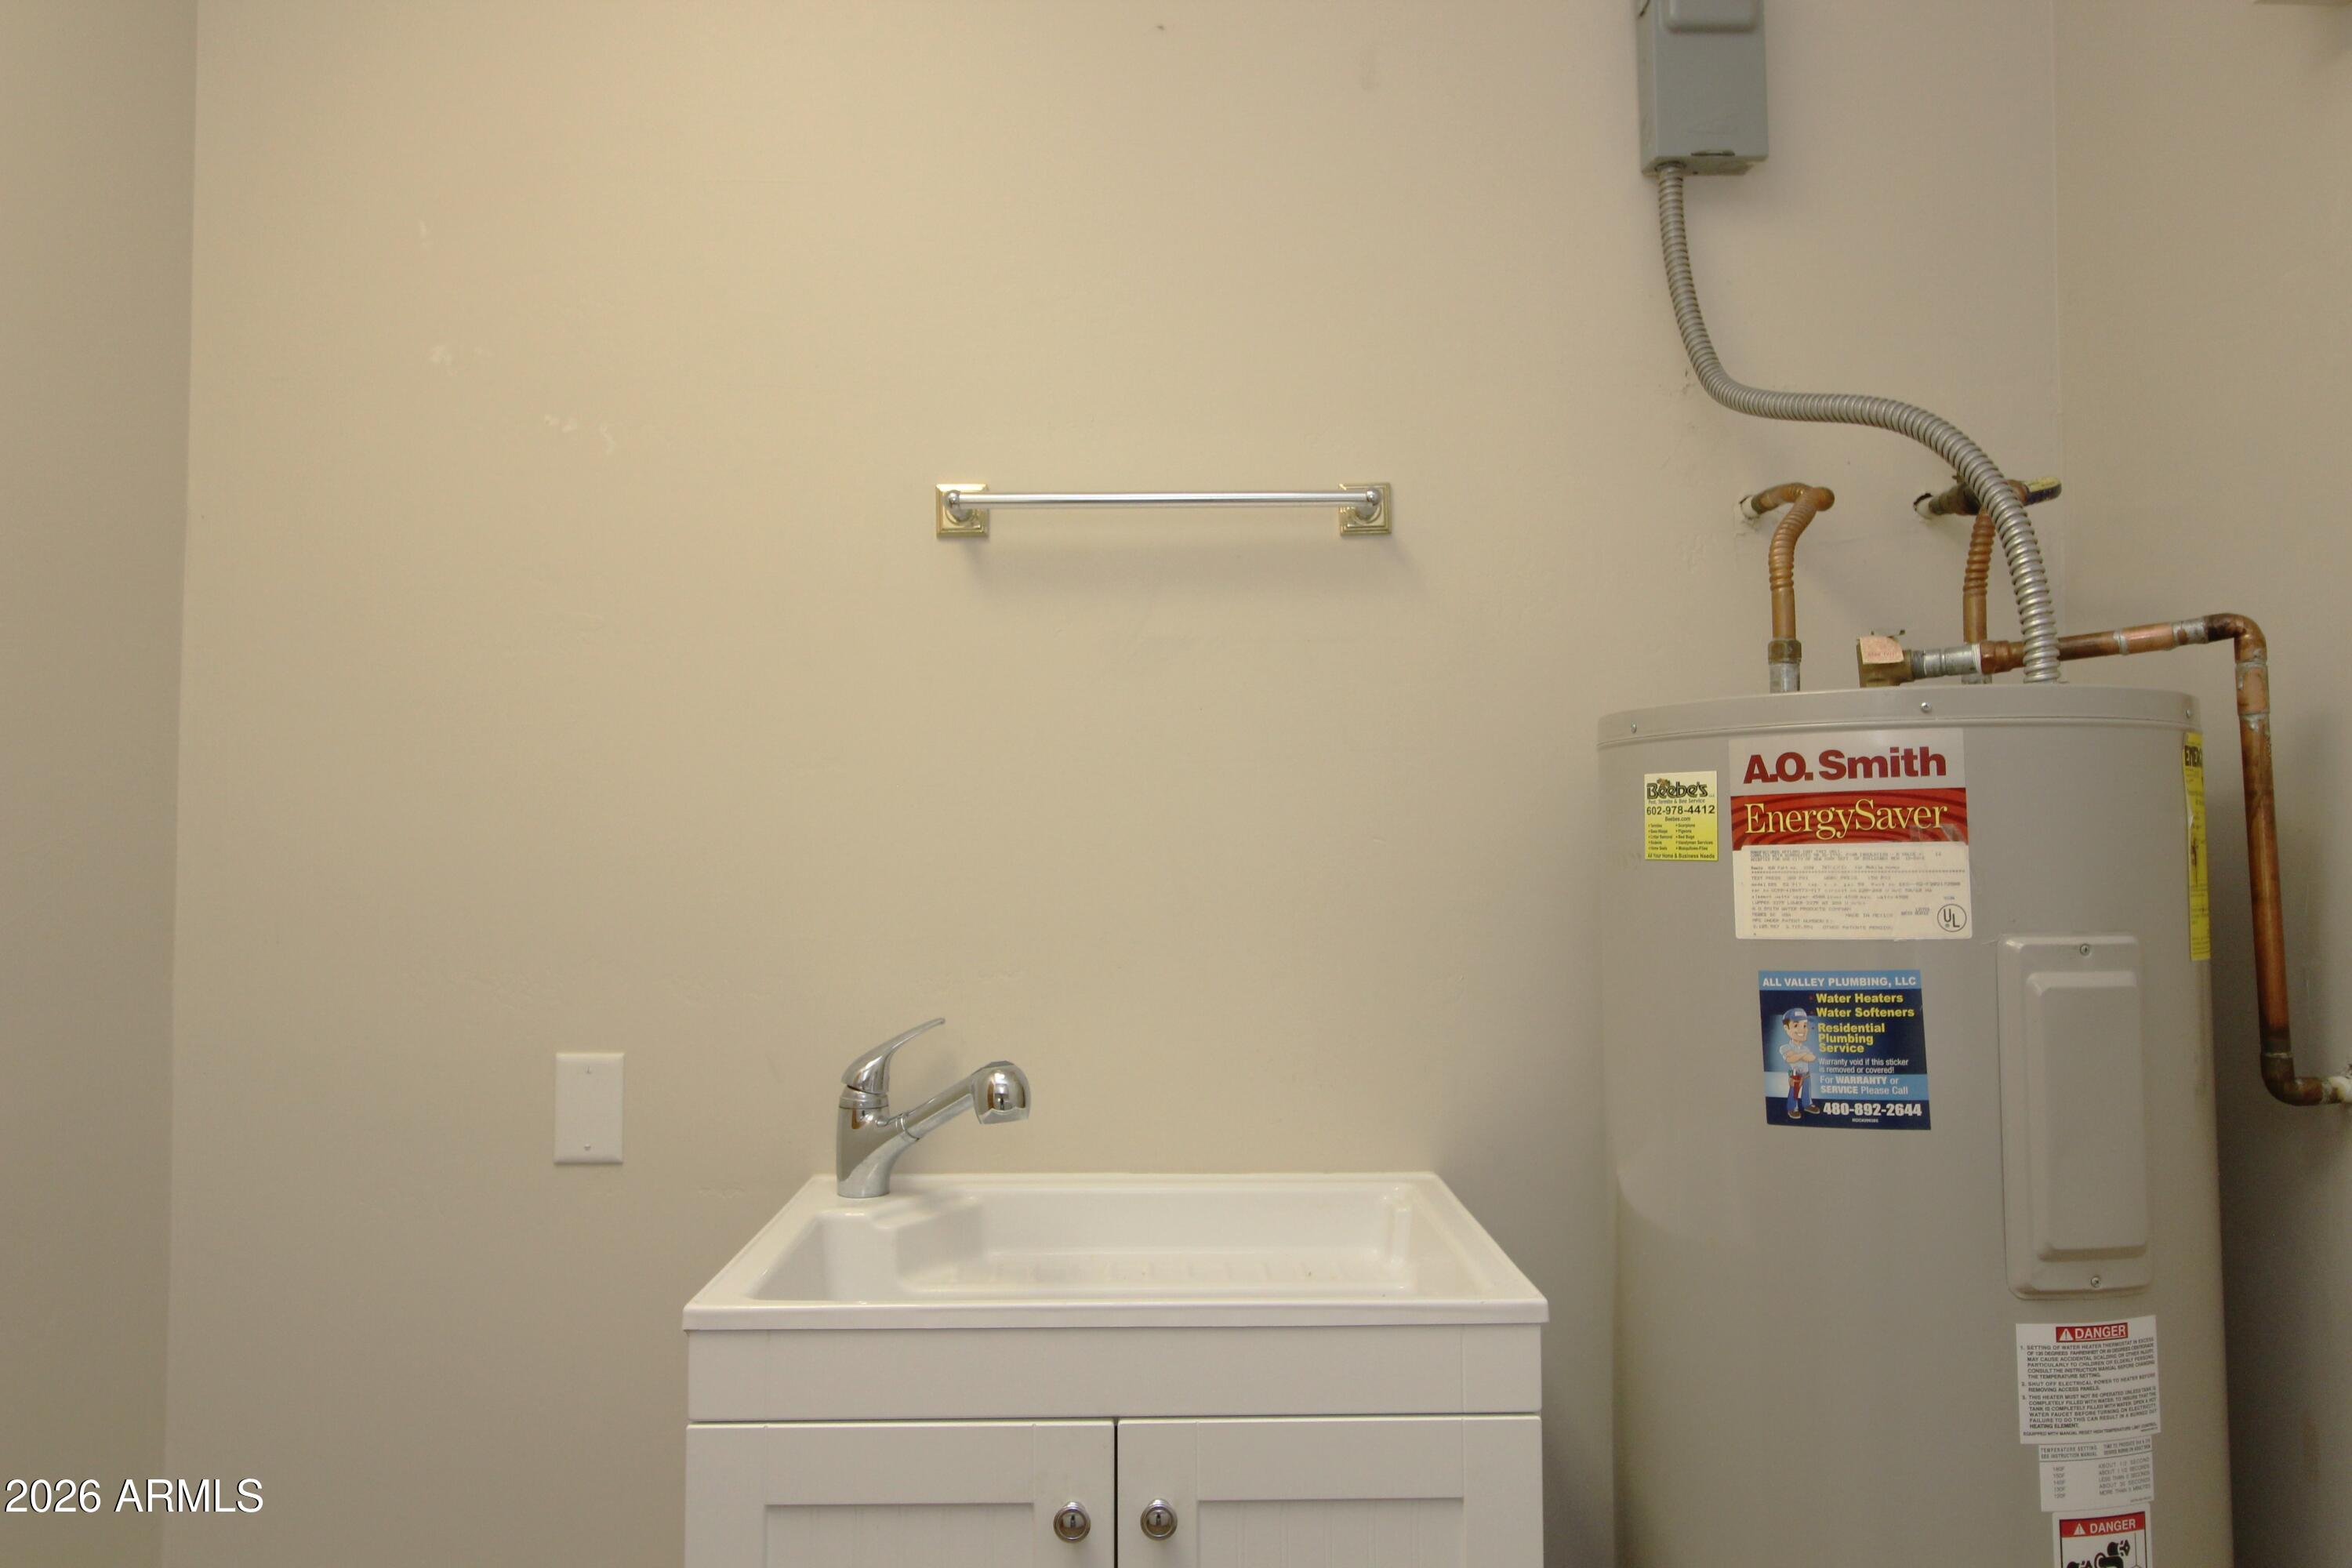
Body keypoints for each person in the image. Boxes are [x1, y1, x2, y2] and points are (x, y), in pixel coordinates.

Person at [1778, 1007, 1817, 1119]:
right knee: (1794, 1092)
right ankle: (1792, 1108)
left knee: (1807, 1090)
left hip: (1806, 1074)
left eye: (1805, 1025)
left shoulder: (1805, 1047)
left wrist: (1799, 1055)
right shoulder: (1785, 1047)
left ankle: (1807, 1104)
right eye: (1796, 1025)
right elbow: (1790, 1059)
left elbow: (1812, 1058)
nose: (1802, 1029)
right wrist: (1802, 1055)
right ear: (1786, 1028)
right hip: (1795, 1074)